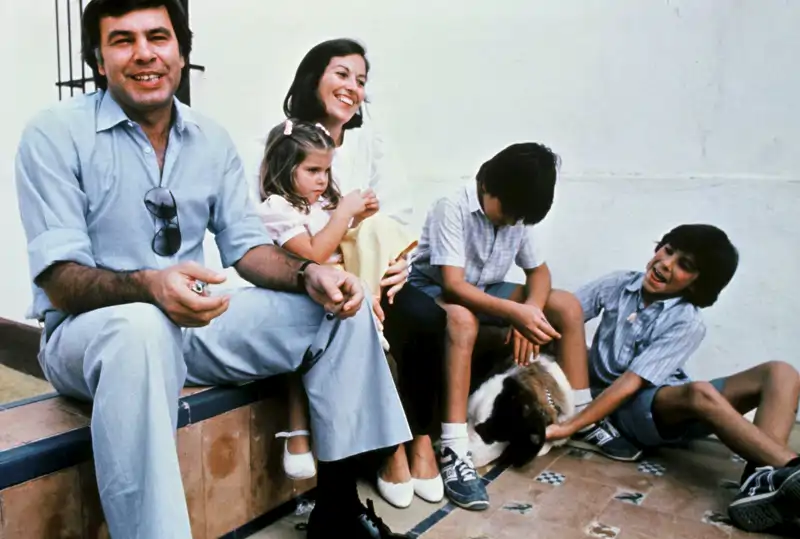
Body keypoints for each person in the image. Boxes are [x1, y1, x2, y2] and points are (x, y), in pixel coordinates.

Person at [14, 1, 412, 537]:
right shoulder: (54, 133)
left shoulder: (210, 139)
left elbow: (248, 250)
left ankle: (338, 509)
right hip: (90, 337)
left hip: (192, 323)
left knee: (343, 305)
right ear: (98, 58)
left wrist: (306, 275)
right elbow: (60, 277)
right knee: (142, 326)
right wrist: (148, 287)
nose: (144, 54)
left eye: (158, 36)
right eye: (122, 40)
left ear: (182, 51)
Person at [388, 142, 631, 510]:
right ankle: (455, 448)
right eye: (508, 213)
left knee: (564, 304)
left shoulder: (518, 212)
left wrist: (530, 310)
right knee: (462, 320)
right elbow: (454, 286)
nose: (512, 222)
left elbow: (540, 272)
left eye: (520, 218)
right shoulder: (451, 207)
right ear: (487, 185)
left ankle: (581, 414)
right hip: (433, 292)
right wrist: (514, 314)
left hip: (486, 289)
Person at [545, 224, 800, 534]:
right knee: (699, 392)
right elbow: (562, 315)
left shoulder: (688, 321)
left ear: (697, 284)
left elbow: (632, 383)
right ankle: (782, 473)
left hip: (657, 406)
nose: (666, 263)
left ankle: (766, 479)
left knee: (781, 372)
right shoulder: (618, 284)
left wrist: (574, 424)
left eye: (684, 265)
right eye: (668, 250)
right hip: (632, 410)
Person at [281, 38, 428, 508]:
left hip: (374, 267)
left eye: (360, 80)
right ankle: (392, 451)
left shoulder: (369, 141)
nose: (351, 87)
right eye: (341, 74)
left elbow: (398, 212)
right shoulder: (287, 139)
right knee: (358, 320)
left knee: (430, 317)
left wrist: (399, 261)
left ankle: (422, 441)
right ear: (314, 78)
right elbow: (277, 220)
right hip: (315, 267)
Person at [257, 118, 413, 480]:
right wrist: (343, 214)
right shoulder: (276, 209)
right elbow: (312, 254)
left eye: (326, 171)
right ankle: (304, 434)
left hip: (337, 295)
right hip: (302, 300)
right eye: (312, 170)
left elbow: (341, 244)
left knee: (376, 232)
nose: (322, 180)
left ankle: (370, 310)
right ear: (284, 166)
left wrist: (358, 218)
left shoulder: (318, 208)